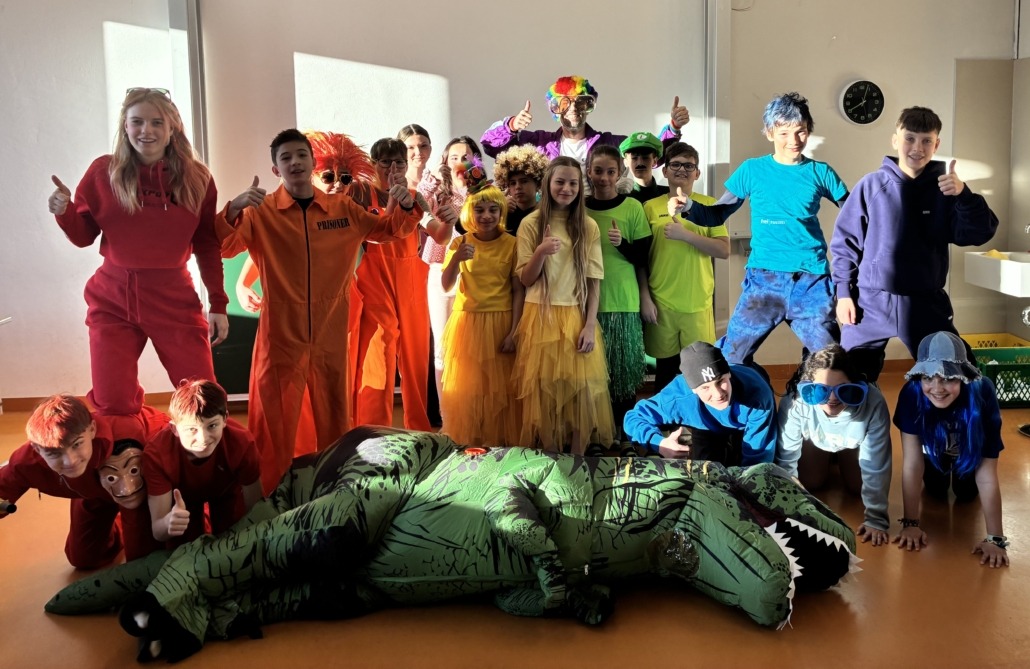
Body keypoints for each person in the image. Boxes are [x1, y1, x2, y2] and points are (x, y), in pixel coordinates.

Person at [216, 128, 421, 494]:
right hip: (280, 336)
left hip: (331, 334)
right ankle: (272, 500)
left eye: (301, 155)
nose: (295, 162)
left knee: (335, 423)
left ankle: (334, 497)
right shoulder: (261, 212)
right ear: (276, 169)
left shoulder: (343, 210)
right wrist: (232, 210)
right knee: (273, 427)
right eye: (286, 158)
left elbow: (388, 230)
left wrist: (405, 206)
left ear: (311, 162)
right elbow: (224, 246)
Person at [47, 87, 229, 417]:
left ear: (172, 128)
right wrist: (64, 212)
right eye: (138, 122)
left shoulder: (197, 178)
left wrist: (218, 302)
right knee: (113, 404)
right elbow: (84, 236)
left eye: (157, 122)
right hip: (113, 299)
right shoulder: (103, 172)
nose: (147, 130)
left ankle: (185, 444)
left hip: (173, 297)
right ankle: (131, 446)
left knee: (203, 401)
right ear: (125, 126)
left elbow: (206, 243)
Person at [669, 92, 848, 368]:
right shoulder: (752, 170)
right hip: (764, 280)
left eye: (800, 131)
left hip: (811, 280)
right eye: (784, 133)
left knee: (830, 361)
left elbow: (854, 213)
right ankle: (754, 390)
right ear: (770, 132)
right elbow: (716, 214)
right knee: (733, 357)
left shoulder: (820, 172)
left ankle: (804, 388)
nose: (793, 140)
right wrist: (688, 206)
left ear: (808, 130)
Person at [830, 107, 999, 382]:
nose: (917, 148)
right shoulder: (871, 186)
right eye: (909, 138)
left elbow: (979, 233)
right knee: (847, 378)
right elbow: (845, 243)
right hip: (870, 304)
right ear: (895, 140)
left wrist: (964, 195)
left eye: (926, 141)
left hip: (925, 302)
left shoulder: (946, 189)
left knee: (961, 373)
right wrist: (843, 293)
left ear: (936, 145)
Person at [513, 157, 614, 453]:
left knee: (582, 390)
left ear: (580, 187)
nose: (566, 188)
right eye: (560, 182)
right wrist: (541, 252)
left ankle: (577, 455)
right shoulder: (530, 224)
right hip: (539, 315)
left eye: (573, 183)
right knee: (542, 392)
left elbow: (594, 281)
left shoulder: (588, 225)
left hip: (575, 316)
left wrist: (590, 325)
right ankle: (551, 454)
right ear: (547, 184)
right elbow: (526, 279)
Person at [0, 395, 166, 568]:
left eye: (77, 444)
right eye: (54, 453)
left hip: (142, 489)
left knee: (142, 559)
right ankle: (116, 524)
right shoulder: (27, 463)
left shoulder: (139, 434)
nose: (70, 461)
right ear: (36, 449)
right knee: (84, 558)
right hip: (92, 491)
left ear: (92, 429)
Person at [892, 331, 1008, 568]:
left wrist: (995, 538)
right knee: (935, 489)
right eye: (928, 377)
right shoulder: (911, 393)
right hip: (933, 455)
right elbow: (913, 464)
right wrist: (911, 524)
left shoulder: (982, 392)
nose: (937, 388)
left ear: (963, 376)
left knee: (967, 494)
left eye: (948, 378)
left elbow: (986, 474)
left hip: (969, 456)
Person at [351, 138, 436, 431]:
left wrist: (448, 222)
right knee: (379, 353)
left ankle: (420, 429)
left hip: (411, 276)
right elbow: (381, 232)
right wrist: (393, 203)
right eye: (385, 162)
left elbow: (438, 234)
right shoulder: (360, 193)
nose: (392, 168)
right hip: (375, 277)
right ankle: (373, 432)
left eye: (399, 162)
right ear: (374, 164)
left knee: (416, 356)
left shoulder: (415, 196)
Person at [439, 160, 525, 446]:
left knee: (500, 389)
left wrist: (514, 331)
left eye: (493, 210)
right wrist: (456, 259)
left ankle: (499, 443)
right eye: (479, 210)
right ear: (469, 212)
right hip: (468, 324)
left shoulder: (512, 244)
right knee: (469, 388)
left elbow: (518, 291)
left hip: (501, 322)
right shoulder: (459, 243)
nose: (486, 216)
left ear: (501, 212)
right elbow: (446, 285)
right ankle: (472, 442)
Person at [776, 345, 892, 546]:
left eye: (843, 389)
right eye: (822, 390)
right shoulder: (796, 401)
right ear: (809, 386)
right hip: (816, 440)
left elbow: (876, 464)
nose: (832, 398)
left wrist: (876, 519)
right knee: (812, 482)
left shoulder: (873, 402)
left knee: (858, 487)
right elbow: (787, 457)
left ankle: (838, 456)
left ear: (854, 385)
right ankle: (830, 457)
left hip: (852, 442)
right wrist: (788, 510)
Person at [639, 142, 729, 392]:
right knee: (665, 374)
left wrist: (687, 236)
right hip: (661, 303)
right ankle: (668, 416)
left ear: (697, 173)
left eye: (689, 166)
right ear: (664, 171)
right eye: (676, 164)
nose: (682, 170)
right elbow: (641, 258)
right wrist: (645, 297)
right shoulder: (649, 207)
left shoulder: (710, 205)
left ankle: (699, 417)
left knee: (701, 373)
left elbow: (723, 250)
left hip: (697, 302)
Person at [584, 145, 652, 453]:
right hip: (587, 305)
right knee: (593, 376)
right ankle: (598, 435)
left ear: (619, 173)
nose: (604, 177)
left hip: (623, 302)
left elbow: (645, 256)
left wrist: (622, 243)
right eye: (598, 171)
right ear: (589, 172)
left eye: (610, 171)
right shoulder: (580, 208)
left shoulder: (632, 207)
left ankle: (624, 435)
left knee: (623, 376)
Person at [480, 75, 689, 170]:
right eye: (565, 103)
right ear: (555, 110)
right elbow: (490, 146)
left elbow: (651, 157)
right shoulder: (540, 143)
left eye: (581, 102)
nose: (573, 109)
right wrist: (511, 126)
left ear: (589, 106)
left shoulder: (608, 144)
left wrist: (673, 128)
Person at [144, 380, 260, 546]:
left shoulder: (242, 444)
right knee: (183, 540)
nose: (203, 438)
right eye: (192, 429)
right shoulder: (157, 455)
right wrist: (168, 523)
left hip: (226, 492)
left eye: (212, 426)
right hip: (182, 500)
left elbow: (255, 510)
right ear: (175, 429)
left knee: (233, 536)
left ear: (225, 419)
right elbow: (158, 531)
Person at [624, 342, 776, 465]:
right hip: (706, 425)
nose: (718, 394)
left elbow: (758, 460)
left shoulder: (757, 395)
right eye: (705, 387)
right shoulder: (679, 397)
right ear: (693, 390)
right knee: (706, 472)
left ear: (728, 374)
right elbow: (633, 418)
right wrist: (659, 443)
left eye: (720, 381)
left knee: (748, 465)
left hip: (747, 421)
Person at [417, 136, 480, 413]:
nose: (460, 162)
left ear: (475, 160)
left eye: (466, 156)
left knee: (471, 346)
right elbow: (419, 205)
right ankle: (446, 416)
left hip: (475, 272)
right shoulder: (436, 190)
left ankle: (469, 412)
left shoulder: (484, 192)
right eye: (454, 157)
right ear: (445, 160)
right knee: (442, 346)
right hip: (439, 269)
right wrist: (431, 183)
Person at [492, 144, 549, 236]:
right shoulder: (503, 213)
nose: (518, 187)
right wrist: (500, 210)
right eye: (513, 183)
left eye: (524, 181)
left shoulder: (546, 212)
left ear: (538, 184)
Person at [621, 132, 669, 203]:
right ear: (626, 162)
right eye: (634, 158)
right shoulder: (619, 198)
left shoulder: (670, 195)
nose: (640, 163)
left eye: (645, 157)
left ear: (655, 161)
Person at [397, 123, 432, 190]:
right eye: (410, 147)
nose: (418, 152)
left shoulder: (440, 184)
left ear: (430, 149)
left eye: (423, 146)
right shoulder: (395, 186)